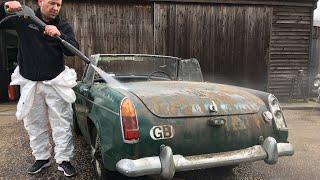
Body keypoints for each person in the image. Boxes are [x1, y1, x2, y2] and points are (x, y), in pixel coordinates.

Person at [0, 0, 79, 177]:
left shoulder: (63, 25)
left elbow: (73, 50)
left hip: (56, 82)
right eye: (51, 3)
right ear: (40, 1)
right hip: (30, 82)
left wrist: (60, 36)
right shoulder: (24, 18)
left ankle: (64, 160)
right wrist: (6, 6)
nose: (55, 8)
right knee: (34, 124)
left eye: (58, 5)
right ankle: (42, 158)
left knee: (62, 123)